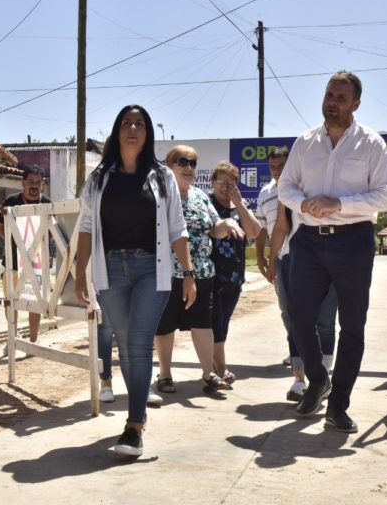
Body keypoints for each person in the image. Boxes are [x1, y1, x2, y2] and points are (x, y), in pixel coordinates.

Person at [276, 71, 387, 434]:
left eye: (341, 98)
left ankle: (339, 403)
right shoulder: (305, 141)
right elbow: (285, 187)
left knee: (352, 325)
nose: (333, 102)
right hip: (308, 241)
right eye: (329, 95)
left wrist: (337, 203)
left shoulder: (371, 144)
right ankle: (317, 380)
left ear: (355, 104)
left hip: (353, 241)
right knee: (299, 316)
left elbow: (385, 197)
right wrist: (305, 204)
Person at [75, 105, 195, 457]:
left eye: (139, 124)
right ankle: (138, 411)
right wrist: (81, 274)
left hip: (150, 270)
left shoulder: (162, 177)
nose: (132, 129)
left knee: (139, 343)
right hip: (109, 268)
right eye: (126, 123)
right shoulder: (98, 178)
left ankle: (134, 425)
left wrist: (188, 273)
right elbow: (85, 227)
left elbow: (177, 227)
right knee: (125, 346)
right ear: (117, 131)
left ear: (147, 133)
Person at [154, 146, 243, 396]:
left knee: (203, 324)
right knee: (165, 325)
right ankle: (165, 374)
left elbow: (214, 228)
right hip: (170, 272)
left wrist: (226, 223)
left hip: (203, 273)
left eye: (193, 162)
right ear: (169, 166)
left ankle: (208, 374)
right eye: (182, 162)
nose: (189, 168)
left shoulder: (200, 197)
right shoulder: (160, 197)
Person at [259, 148, 338, 402]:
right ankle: (299, 379)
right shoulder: (284, 192)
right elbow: (280, 227)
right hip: (292, 260)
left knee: (325, 321)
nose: (279, 170)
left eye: (284, 165)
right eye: (274, 166)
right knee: (295, 319)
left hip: (328, 258)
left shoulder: (315, 185)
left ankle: (324, 376)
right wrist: (272, 260)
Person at [208, 161, 261, 384]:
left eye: (231, 182)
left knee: (223, 322)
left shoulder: (240, 205)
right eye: (221, 182)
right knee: (216, 322)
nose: (226, 187)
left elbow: (254, 231)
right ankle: (220, 369)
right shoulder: (206, 204)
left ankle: (212, 366)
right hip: (211, 275)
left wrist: (239, 204)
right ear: (212, 183)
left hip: (234, 277)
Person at [0, 165, 51, 343]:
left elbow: (56, 229)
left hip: (38, 263)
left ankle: (34, 340)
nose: (34, 185)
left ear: (42, 184)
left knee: (35, 301)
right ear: (23, 183)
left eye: (38, 182)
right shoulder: (10, 202)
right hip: (13, 261)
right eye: (30, 182)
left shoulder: (48, 204)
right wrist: (12, 239)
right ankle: (13, 336)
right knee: (11, 300)